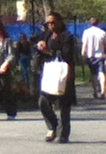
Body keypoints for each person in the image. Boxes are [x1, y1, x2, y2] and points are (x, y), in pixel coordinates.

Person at [37, 11, 77, 143]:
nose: (51, 25)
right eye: (48, 23)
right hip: (49, 73)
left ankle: (63, 134)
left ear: (60, 22)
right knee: (43, 101)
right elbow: (34, 44)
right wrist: (39, 46)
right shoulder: (47, 35)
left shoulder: (67, 36)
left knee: (64, 105)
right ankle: (53, 126)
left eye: (53, 22)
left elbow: (66, 54)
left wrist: (49, 51)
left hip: (63, 74)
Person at [80, 17, 106, 99]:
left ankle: (95, 91)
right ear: (98, 23)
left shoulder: (86, 32)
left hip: (91, 56)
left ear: (90, 23)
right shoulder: (102, 33)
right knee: (102, 73)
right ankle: (103, 91)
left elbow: (84, 44)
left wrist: (83, 54)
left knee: (93, 74)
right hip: (100, 55)